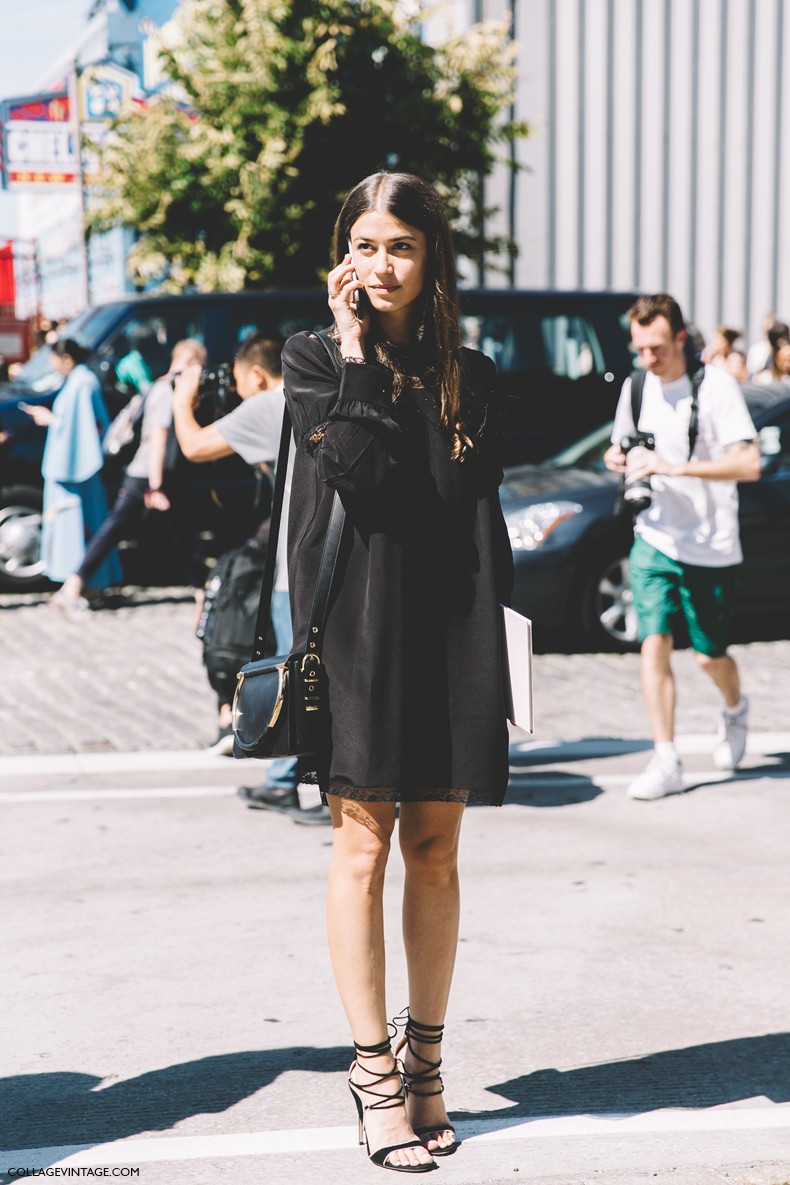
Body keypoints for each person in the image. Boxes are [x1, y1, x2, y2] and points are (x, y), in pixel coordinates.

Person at [279, 172, 513, 1172]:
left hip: (450, 624)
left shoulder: (472, 371)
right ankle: (374, 1076)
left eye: (401, 247)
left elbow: (477, 513)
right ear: (344, 254)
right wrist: (360, 353)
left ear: (430, 259)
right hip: (362, 630)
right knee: (361, 848)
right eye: (367, 244)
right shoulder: (314, 360)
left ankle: (427, 1065)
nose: (382, 264)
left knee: (437, 850)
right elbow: (353, 476)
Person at [604, 294, 761, 802]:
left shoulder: (714, 387)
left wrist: (674, 467)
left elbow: (748, 464)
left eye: (656, 348)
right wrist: (618, 458)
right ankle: (666, 757)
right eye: (639, 350)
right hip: (654, 536)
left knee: (709, 656)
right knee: (653, 643)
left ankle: (735, 709)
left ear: (680, 338)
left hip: (711, 543)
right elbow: (621, 445)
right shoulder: (634, 387)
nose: (647, 359)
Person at [171, 333, 325, 822]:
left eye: (238, 384)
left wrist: (181, 399)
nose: (236, 394)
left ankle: (318, 783)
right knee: (303, 669)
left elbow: (194, 446)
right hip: (312, 560)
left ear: (257, 376)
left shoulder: (270, 403)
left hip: (294, 569)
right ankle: (283, 780)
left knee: (297, 672)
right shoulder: (311, 398)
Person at [52, 338, 207, 619]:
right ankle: (72, 585)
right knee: (115, 529)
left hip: (157, 474)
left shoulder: (166, 388)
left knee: (184, 533)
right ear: (189, 363)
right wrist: (156, 485)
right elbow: (157, 438)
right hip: (147, 475)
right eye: (201, 365)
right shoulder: (164, 391)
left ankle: (202, 593)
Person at [22, 338, 122, 605]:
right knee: (75, 523)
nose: (52, 364)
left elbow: (84, 428)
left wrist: (50, 420)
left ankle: (86, 582)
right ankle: (80, 581)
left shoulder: (82, 382)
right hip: (72, 463)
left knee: (82, 524)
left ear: (66, 358)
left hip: (77, 466)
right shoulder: (78, 381)